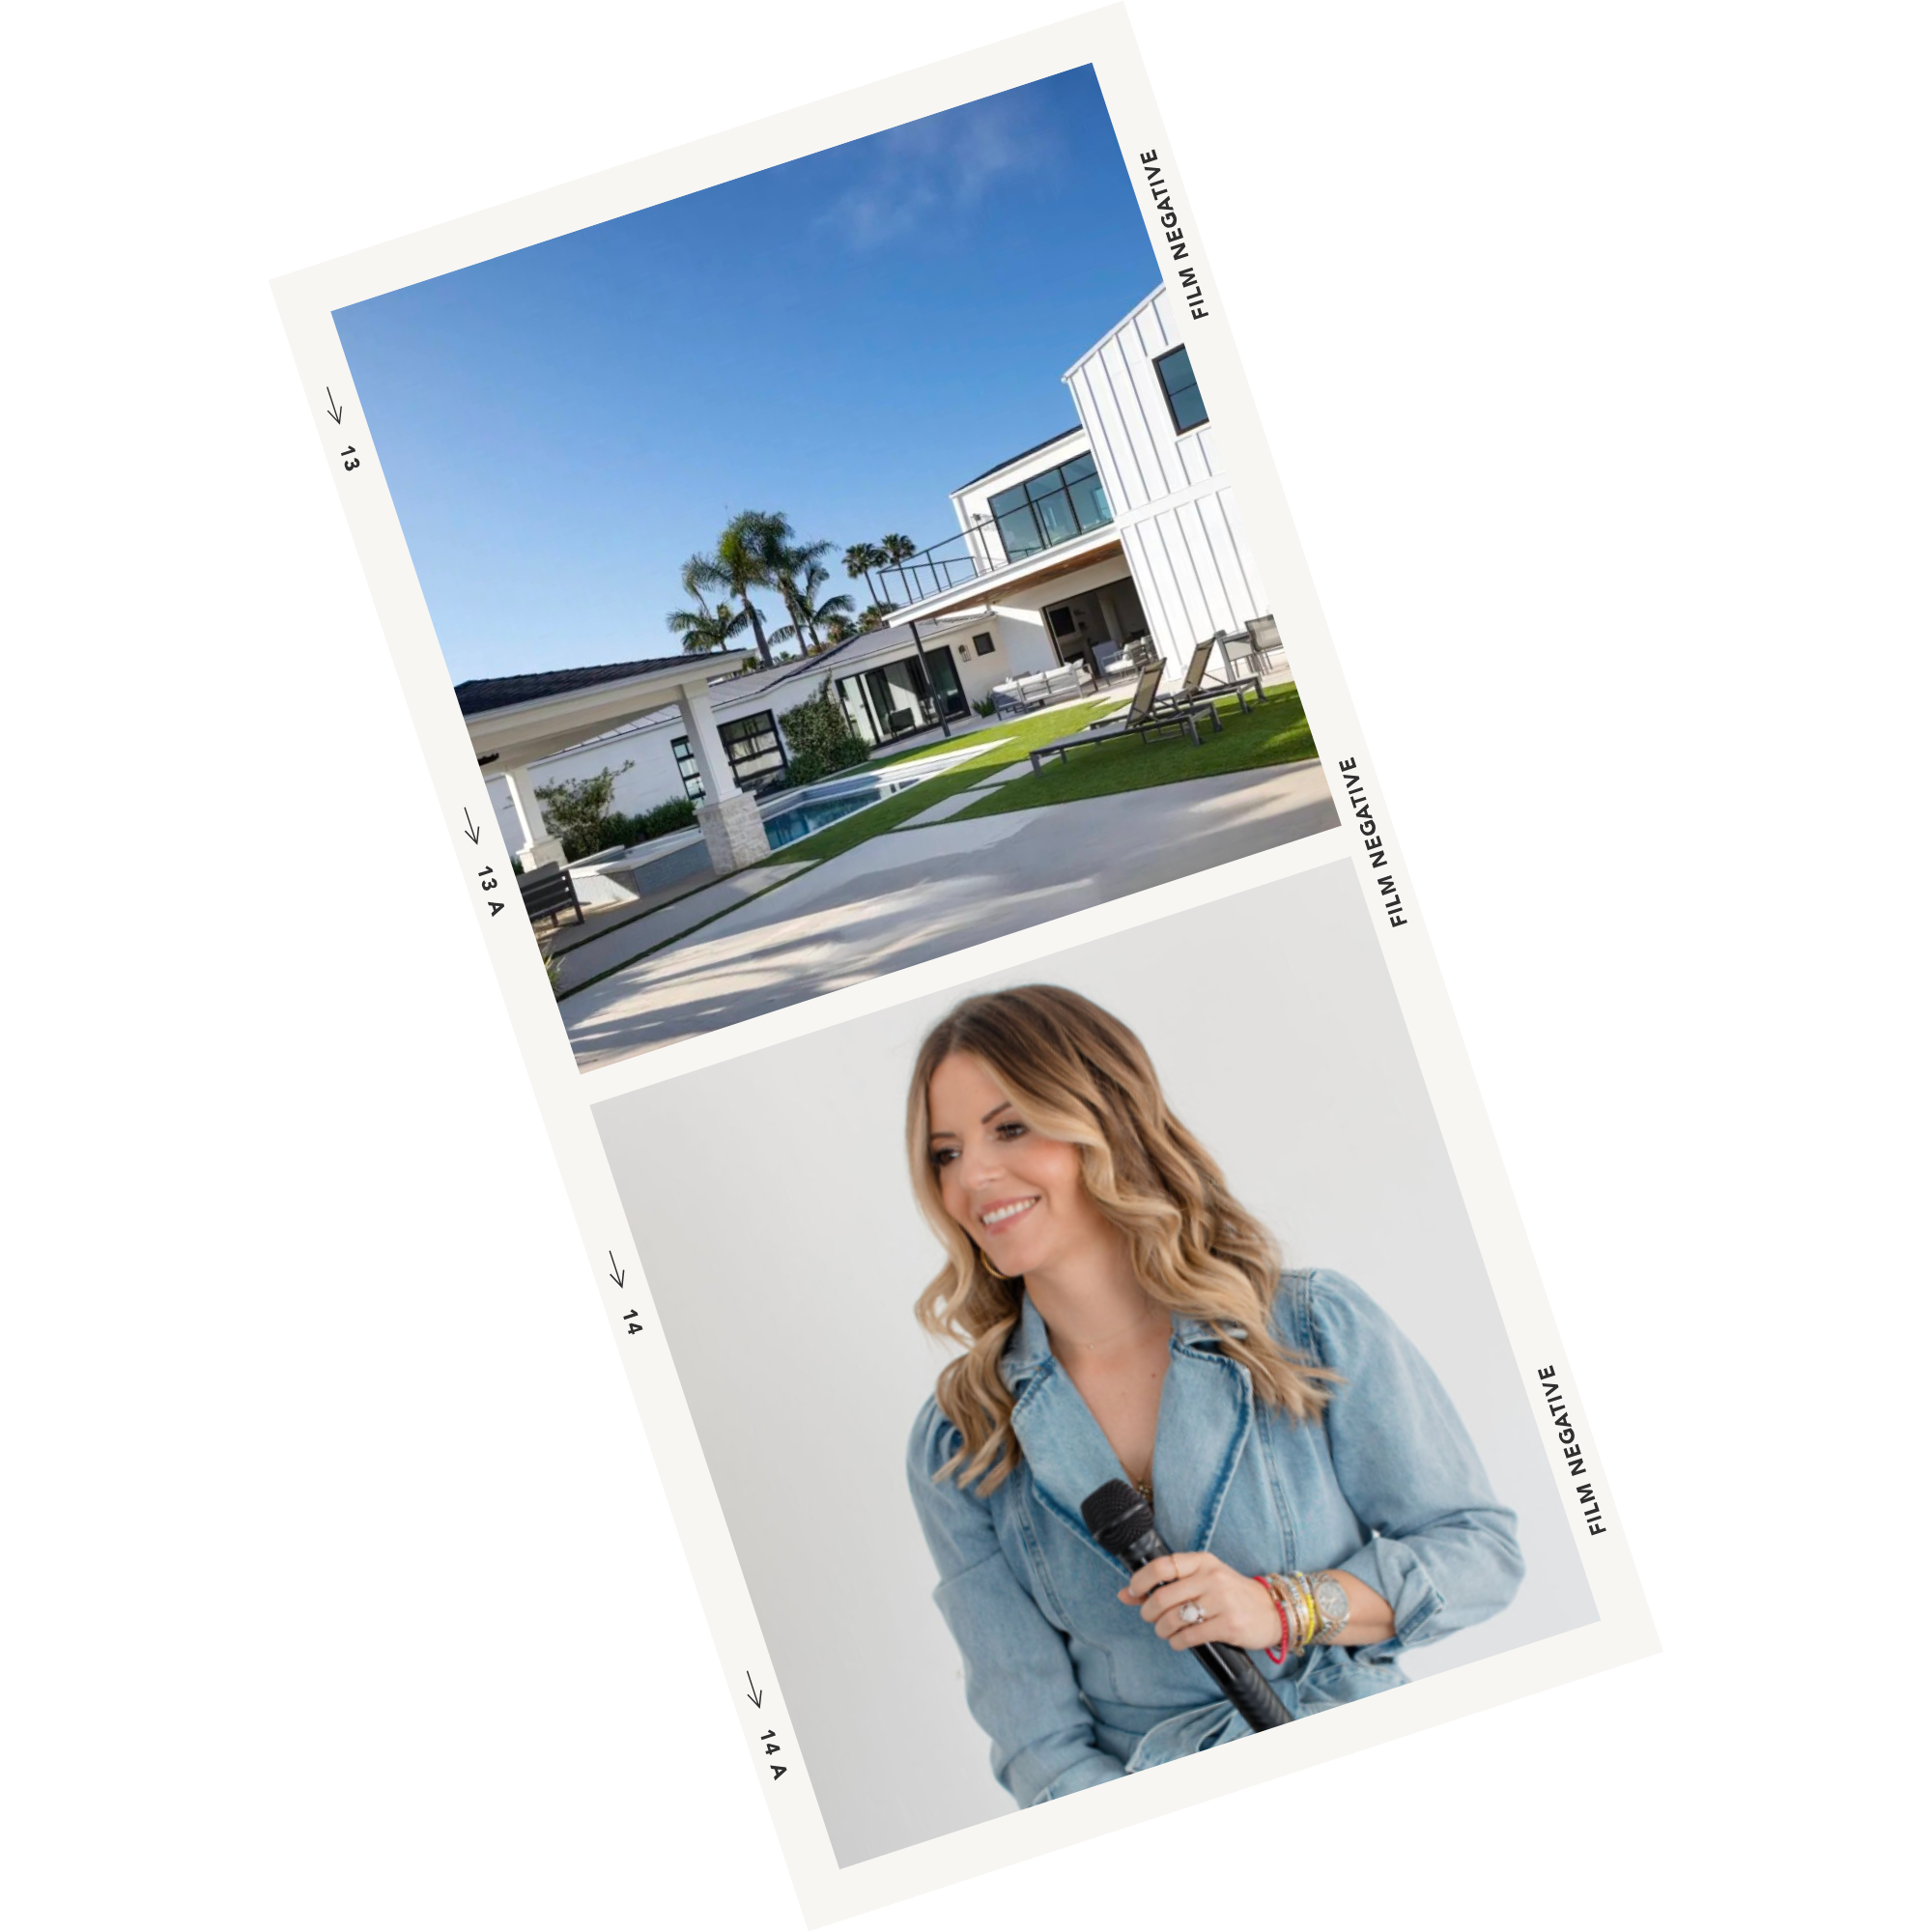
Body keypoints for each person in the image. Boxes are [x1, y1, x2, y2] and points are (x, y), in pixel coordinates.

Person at [904, 984, 1523, 1806]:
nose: (974, 1176)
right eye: (945, 1153)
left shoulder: (1307, 1327)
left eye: (1011, 1128)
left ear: (1108, 1121)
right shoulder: (963, 1440)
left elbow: (1479, 1553)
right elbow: (1037, 1743)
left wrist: (1286, 1607)